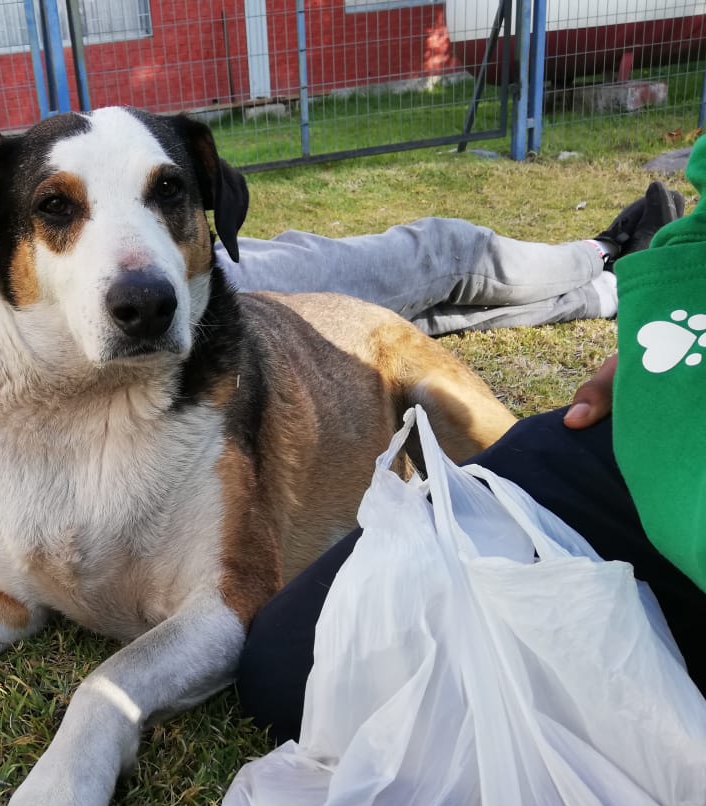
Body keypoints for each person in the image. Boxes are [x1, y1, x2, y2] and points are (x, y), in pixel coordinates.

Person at [234, 143, 705, 745]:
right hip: (670, 392)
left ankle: (600, 262)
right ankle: (606, 279)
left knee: (442, 262)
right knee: (436, 276)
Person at [221, 180, 684, 336]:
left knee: (414, 321)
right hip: (222, 288)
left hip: (218, 294)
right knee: (443, 252)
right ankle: (600, 253)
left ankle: (608, 292)